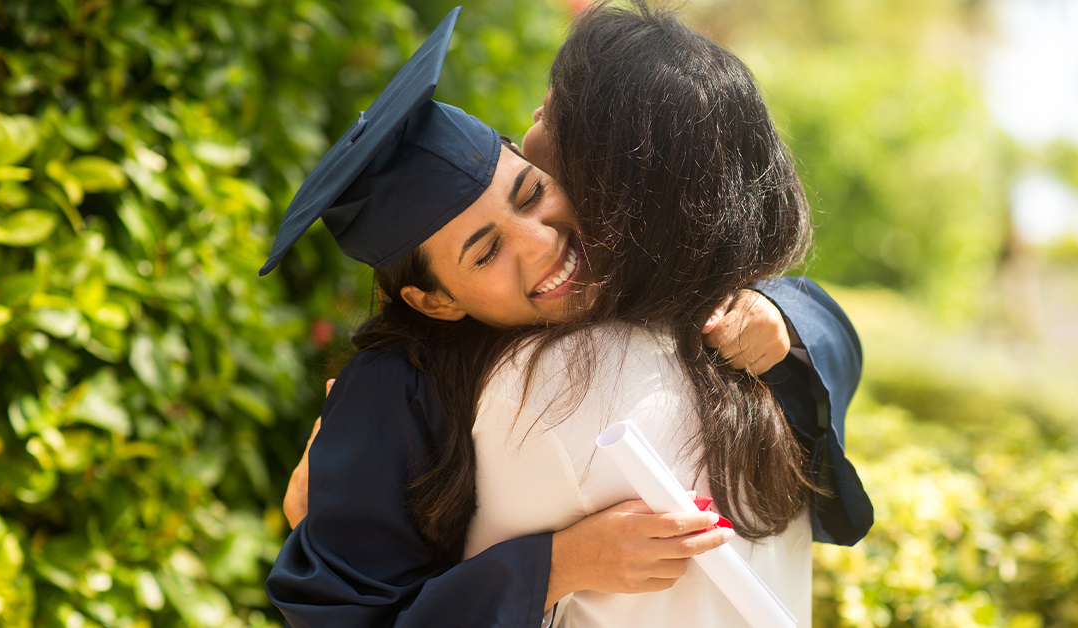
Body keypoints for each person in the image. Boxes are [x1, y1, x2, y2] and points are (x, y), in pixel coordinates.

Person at [265, 5, 870, 627]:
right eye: (486, 251)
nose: (540, 243)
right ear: (434, 300)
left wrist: (778, 317)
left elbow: (818, 317)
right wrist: (554, 566)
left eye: (531, 192)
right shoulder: (394, 387)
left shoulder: (632, 276)